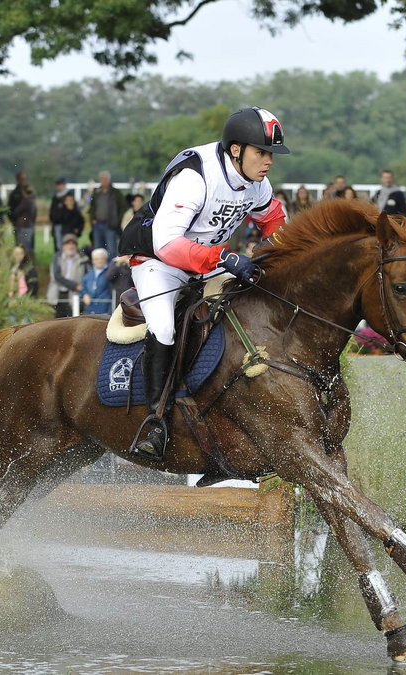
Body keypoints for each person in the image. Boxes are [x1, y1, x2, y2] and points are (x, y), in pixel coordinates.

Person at [117, 106, 289, 459]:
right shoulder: (195, 177)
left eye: (270, 154)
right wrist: (224, 258)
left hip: (208, 261)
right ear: (237, 150)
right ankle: (155, 421)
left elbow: (274, 219)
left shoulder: (257, 182)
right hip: (158, 261)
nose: (268, 161)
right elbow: (168, 244)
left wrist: (273, 248)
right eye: (261, 152)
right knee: (164, 326)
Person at [49, 234, 88, 318]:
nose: (71, 246)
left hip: (75, 295)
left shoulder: (83, 258)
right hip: (58, 294)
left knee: (73, 319)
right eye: (68, 243)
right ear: (63, 246)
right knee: (58, 322)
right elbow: (57, 276)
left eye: (73, 243)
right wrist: (74, 285)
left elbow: (86, 276)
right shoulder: (57, 257)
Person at [89, 171, 128, 256]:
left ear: (109, 180)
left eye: (105, 179)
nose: (104, 181)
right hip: (97, 224)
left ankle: (111, 268)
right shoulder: (96, 192)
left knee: (111, 251)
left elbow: (123, 207)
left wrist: (117, 220)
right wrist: (92, 219)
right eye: (102, 179)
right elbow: (92, 207)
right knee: (98, 250)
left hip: (110, 225)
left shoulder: (116, 193)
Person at [80, 248, 113, 315]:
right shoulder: (88, 275)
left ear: (105, 260)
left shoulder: (110, 273)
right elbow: (83, 289)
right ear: (93, 261)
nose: (99, 261)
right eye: (96, 259)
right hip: (90, 310)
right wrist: (84, 295)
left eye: (102, 258)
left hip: (105, 311)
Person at [49, 177, 74, 251]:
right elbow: (52, 210)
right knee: (58, 245)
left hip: (66, 226)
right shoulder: (55, 197)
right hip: (56, 224)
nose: (58, 186)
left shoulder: (69, 195)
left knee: (66, 244)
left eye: (60, 184)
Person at [12, 184, 37, 252]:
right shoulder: (33, 200)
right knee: (28, 246)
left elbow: (16, 211)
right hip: (29, 225)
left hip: (24, 226)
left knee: (23, 247)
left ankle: (25, 261)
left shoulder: (26, 201)